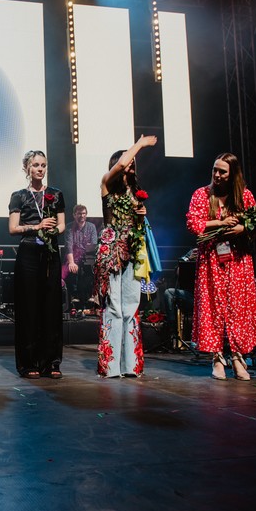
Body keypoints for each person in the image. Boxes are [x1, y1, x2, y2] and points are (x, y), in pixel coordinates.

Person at [186, 153, 256, 380]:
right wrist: (220, 223)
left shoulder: (244, 195)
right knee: (214, 308)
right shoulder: (202, 194)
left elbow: (255, 222)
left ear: (233, 174)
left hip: (238, 261)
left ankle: (238, 357)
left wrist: (242, 228)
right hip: (211, 260)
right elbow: (193, 223)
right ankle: (218, 358)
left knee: (237, 309)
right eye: (215, 170)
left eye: (222, 172)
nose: (217, 175)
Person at [93, 135, 157, 378]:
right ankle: (110, 366)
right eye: (127, 161)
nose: (130, 165)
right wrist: (140, 144)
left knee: (131, 306)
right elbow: (121, 164)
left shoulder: (135, 192)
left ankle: (131, 365)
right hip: (111, 252)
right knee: (114, 307)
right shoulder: (106, 184)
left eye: (133, 163)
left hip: (133, 250)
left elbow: (137, 225)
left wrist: (141, 214)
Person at [8, 150, 66, 379]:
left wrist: (52, 231)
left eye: (43, 165)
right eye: (35, 165)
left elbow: (62, 225)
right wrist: (37, 227)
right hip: (29, 252)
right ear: (27, 168)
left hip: (50, 252)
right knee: (29, 307)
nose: (40, 169)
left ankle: (51, 362)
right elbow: (13, 228)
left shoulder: (56, 194)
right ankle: (28, 362)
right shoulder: (19, 196)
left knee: (51, 307)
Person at [63, 204, 97, 313]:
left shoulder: (91, 227)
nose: (82, 216)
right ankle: (74, 299)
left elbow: (93, 245)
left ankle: (89, 299)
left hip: (88, 258)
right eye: (79, 214)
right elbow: (68, 246)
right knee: (70, 270)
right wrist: (71, 262)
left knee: (90, 271)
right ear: (74, 215)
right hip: (73, 257)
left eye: (84, 213)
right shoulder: (69, 227)